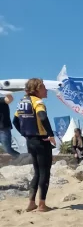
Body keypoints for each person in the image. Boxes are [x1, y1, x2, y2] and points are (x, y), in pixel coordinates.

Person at [13, 78, 56, 212]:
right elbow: (42, 117)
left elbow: (15, 121)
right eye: (43, 87)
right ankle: (42, 205)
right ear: (37, 89)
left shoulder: (22, 103)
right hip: (41, 141)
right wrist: (50, 135)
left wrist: (25, 134)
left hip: (30, 141)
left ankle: (32, 203)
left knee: (37, 172)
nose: (46, 90)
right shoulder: (37, 102)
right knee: (44, 172)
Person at [0, 92, 19, 158]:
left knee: (8, 149)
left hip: (3, 129)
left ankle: (21, 158)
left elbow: (10, 99)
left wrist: (4, 90)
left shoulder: (1, 100)